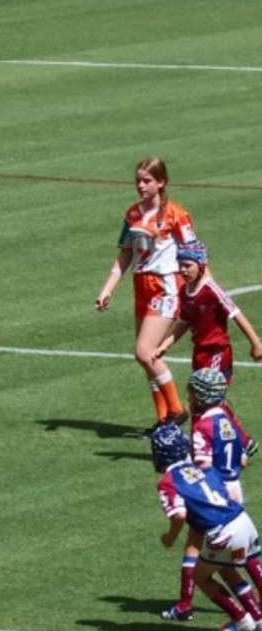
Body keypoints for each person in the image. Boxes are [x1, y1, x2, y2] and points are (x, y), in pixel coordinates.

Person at [95, 157, 196, 428]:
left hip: (165, 286)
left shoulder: (176, 214)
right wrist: (107, 290)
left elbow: (194, 252)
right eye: (138, 180)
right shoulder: (132, 215)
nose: (140, 185)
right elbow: (124, 256)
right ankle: (163, 419)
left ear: (160, 182)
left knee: (143, 351)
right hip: (141, 286)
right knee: (148, 357)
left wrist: (197, 284)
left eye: (147, 180)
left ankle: (176, 409)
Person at [162, 368, 261, 621]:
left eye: (192, 392)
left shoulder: (202, 425)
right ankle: (254, 612)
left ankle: (186, 603)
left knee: (197, 546)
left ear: (201, 395)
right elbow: (246, 451)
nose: (190, 397)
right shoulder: (227, 418)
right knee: (245, 553)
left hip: (215, 492)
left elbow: (204, 464)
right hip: (234, 486)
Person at [150, 423, 262, 631]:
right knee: (225, 568)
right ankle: (258, 616)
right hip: (243, 520)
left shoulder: (167, 481)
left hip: (224, 532)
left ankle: (242, 620)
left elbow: (179, 514)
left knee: (199, 576)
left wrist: (169, 537)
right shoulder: (201, 466)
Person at [156, 241, 262, 386]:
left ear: (200, 265)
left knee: (209, 391)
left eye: (187, 265)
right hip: (199, 352)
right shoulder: (184, 292)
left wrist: (256, 343)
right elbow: (184, 321)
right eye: (180, 265)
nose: (183, 270)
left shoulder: (211, 290)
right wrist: (165, 345)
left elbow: (236, 313)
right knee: (199, 396)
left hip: (217, 351)